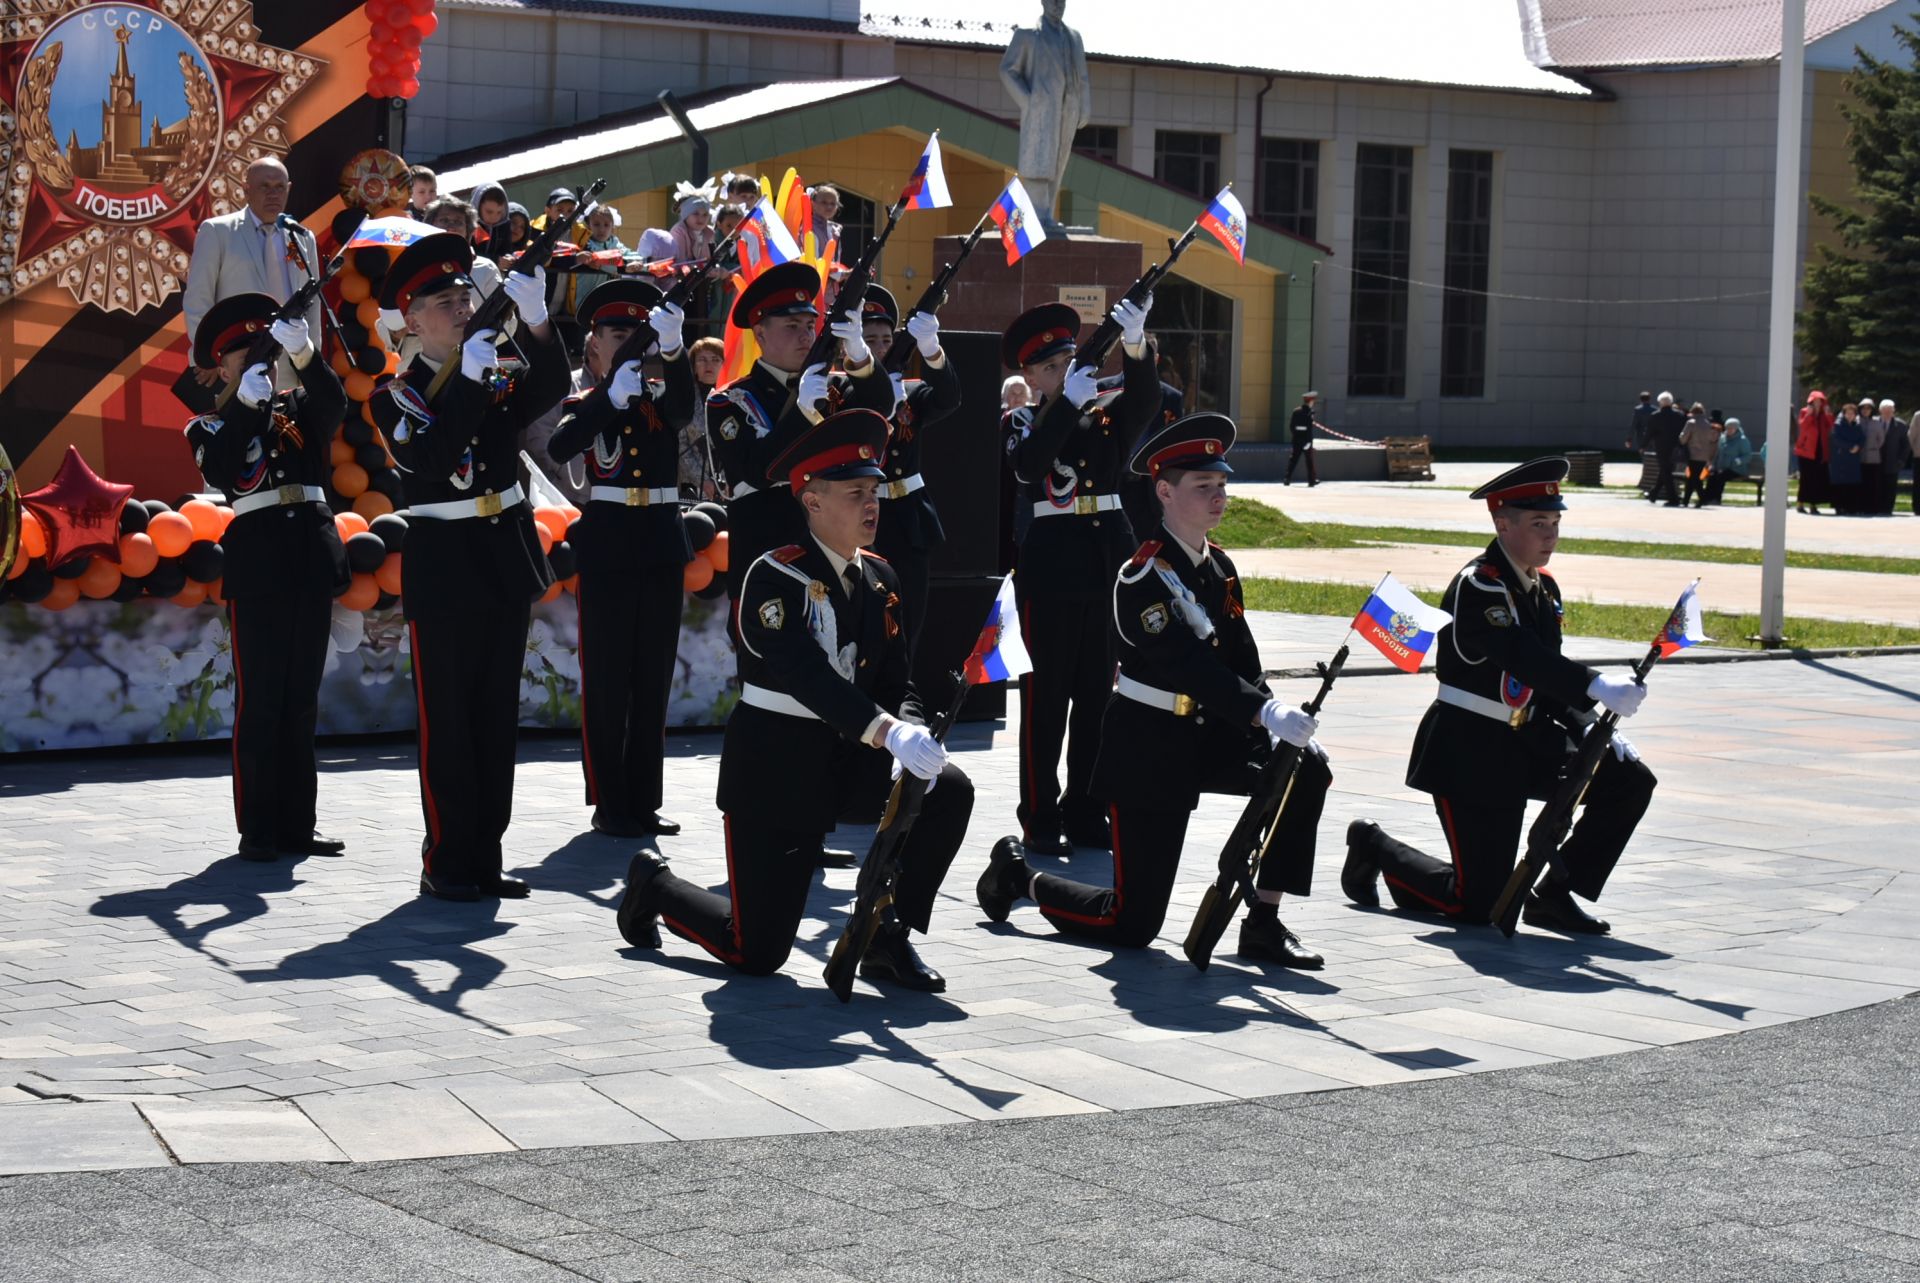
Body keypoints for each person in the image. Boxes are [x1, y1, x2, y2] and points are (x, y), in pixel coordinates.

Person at [616, 408, 975, 990]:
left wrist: (914, 734)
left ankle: (887, 935)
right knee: (756, 952)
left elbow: (895, 683)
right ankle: (655, 887)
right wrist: (888, 733)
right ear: (811, 500)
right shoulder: (772, 578)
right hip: (778, 765)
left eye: (875, 491)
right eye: (855, 492)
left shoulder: (882, 577)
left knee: (948, 788)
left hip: (850, 758)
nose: (872, 504)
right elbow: (808, 676)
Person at [978, 412, 1332, 966]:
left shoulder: (1221, 567)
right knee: (1133, 924)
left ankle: (1264, 918)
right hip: (1150, 746)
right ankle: (1020, 878)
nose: (1218, 497)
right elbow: (1189, 664)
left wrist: (1278, 716)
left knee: (1305, 766)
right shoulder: (1140, 577)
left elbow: (1242, 658)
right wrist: (1263, 713)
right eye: (1203, 487)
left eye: (1221, 485)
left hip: (1210, 735)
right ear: (1164, 491)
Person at [1342, 457, 1656, 935]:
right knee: (1482, 905)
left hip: (1528, 740)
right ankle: (1375, 846)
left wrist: (1588, 724)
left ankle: (1555, 894)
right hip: (1472, 748)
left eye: (1554, 522)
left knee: (1628, 779)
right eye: (1537, 523)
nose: (1550, 534)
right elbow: (1520, 653)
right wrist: (1593, 684)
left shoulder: (1542, 589)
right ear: (1502, 524)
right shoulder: (1479, 585)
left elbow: (1547, 678)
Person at [374, 232, 569, 901]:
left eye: (465, 297)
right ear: (412, 319)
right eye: (446, 302)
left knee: (493, 714)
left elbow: (547, 389)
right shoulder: (395, 395)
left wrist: (538, 319)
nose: (461, 308)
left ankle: (486, 853)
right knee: (450, 719)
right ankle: (448, 858)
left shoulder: (493, 369)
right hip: (447, 564)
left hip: (503, 556)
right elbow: (431, 457)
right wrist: (471, 379)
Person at [183, 294, 350, 862]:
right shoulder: (206, 424)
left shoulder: (298, 405)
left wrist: (305, 352)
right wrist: (247, 408)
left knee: (301, 699)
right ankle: (258, 827)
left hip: (308, 554)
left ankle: (298, 824)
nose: (261, 363)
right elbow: (225, 468)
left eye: (268, 351)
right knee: (261, 702)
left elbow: (334, 407)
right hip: (260, 565)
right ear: (223, 365)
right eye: (244, 355)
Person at [1001, 295, 1160, 855]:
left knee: (1097, 696)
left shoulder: (1105, 410)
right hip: (1052, 564)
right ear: (1027, 375)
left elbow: (1147, 402)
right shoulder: (1021, 419)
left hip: (1105, 559)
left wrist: (1137, 345)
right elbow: (1029, 465)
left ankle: (1088, 810)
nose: (1062, 373)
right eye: (1049, 368)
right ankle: (1040, 816)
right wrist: (1065, 404)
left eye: (1068, 363)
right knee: (1046, 701)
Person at [547, 280, 695, 839]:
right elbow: (561, 447)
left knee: (652, 676)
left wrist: (677, 352)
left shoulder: (663, 394)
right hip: (609, 541)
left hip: (659, 538)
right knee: (608, 676)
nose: (630, 340)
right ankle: (610, 800)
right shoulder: (584, 402)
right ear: (594, 344)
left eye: (640, 332)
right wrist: (608, 397)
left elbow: (683, 410)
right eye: (617, 333)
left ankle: (644, 798)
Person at [704, 260, 894, 607]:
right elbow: (758, 470)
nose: (805, 334)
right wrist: (804, 412)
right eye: (791, 325)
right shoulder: (730, 401)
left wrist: (858, 353)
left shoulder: (834, 386)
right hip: (770, 560)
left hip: (838, 556)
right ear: (760, 334)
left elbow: (881, 405)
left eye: (810, 324)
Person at [862, 285, 959, 661]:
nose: (881, 347)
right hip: (862, 516)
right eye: (871, 339)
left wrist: (931, 348)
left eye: (887, 339)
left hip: (907, 517)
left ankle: (901, 701)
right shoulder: (838, 392)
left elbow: (949, 398)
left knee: (907, 620)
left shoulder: (910, 393)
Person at [182, 157, 322, 394]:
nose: (273, 194)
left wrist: (310, 363)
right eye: (264, 187)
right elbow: (198, 300)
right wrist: (209, 357)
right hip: (237, 365)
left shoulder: (302, 237)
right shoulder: (217, 231)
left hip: (290, 365)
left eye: (279, 187)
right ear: (246, 190)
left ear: (289, 190)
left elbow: (313, 305)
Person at [680, 336, 725, 499]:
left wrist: (731, 480)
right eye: (702, 360)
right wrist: (703, 481)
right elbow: (681, 445)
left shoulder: (737, 396)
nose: (709, 365)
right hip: (694, 488)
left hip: (732, 486)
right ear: (693, 365)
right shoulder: (684, 399)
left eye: (715, 359)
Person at [1794, 390, 1833, 514]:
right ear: (1811, 401)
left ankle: (1813, 505)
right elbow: (1802, 426)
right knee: (1806, 479)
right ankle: (1800, 504)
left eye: (1820, 401)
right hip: (1806, 451)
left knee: (1817, 479)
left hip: (1820, 451)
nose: (1817, 404)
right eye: (1815, 401)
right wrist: (1810, 415)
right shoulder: (1804, 412)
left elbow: (1831, 426)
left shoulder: (1824, 415)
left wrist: (1828, 415)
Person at [1646, 391, 1684, 505]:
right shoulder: (1680, 415)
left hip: (1661, 448)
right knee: (1666, 470)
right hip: (1675, 448)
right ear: (1671, 402)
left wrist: (1643, 445)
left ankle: (1673, 499)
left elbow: (1649, 432)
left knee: (1666, 471)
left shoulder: (1655, 415)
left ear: (1660, 403)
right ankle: (1654, 493)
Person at [1703, 417, 1752, 505]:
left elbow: (1747, 456)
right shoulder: (1722, 438)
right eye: (1727, 428)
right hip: (1722, 467)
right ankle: (1706, 499)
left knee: (1721, 477)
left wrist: (1737, 461)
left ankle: (1716, 499)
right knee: (1712, 475)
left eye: (1731, 428)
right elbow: (1718, 453)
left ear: (1736, 428)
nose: (1729, 430)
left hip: (1736, 469)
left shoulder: (1742, 440)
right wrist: (1713, 465)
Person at [1830, 400, 1866, 515]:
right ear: (1844, 414)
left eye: (1852, 413)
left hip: (1853, 459)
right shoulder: (1838, 425)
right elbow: (1836, 440)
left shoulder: (1857, 426)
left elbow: (1862, 438)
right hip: (1841, 458)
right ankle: (1839, 507)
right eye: (1848, 413)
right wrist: (1850, 446)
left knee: (1852, 483)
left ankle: (1851, 507)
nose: (1850, 415)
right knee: (1841, 484)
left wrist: (1858, 446)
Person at [1679, 402, 1717, 508]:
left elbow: (1683, 438)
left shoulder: (1691, 423)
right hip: (1704, 455)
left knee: (1694, 478)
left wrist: (1680, 438)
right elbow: (1711, 439)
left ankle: (1703, 498)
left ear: (1692, 411)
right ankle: (1687, 500)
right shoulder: (1707, 424)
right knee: (1693, 478)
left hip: (1692, 454)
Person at [1875, 399, 1907, 515]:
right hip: (1876, 461)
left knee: (1890, 486)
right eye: (1885, 411)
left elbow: (1906, 445)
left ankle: (1888, 509)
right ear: (1880, 411)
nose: (1888, 413)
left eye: (1890, 411)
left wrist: (1901, 461)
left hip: (1892, 462)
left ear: (1894, 411)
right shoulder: (1874, 422)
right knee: (1877, 485)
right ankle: (1877, 507)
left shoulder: (1901, 425)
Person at [1284, 390, 1321, 486]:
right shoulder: (1310, 413)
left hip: (1296, 440)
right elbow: (1308, 429)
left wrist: (1296, 436)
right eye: (1313, 401)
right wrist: (1308, 441)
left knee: (1293, 460)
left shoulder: (1296, 411)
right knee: (1309, 461)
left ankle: (1287, 479)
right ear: (1311, 401)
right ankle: (1311, 481)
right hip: (1306, 441)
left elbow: (1292, 426)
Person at [469, 182, 512, 257]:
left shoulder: (504, 225)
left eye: (499, 212)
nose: (494, 217)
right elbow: (470, 255)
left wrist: (508, 258)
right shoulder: (468, 225)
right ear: (477, 207)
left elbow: (506, 250)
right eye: (489, 212)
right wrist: (496, 261)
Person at [669, 194, 713, 267]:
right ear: (686, 215)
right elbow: (680, 263)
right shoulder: (679, 232)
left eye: (705, 214)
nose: (701, 218)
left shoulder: (709, 233)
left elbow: (708, 259)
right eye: (696, 214)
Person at [1860, 398, 1886, 516]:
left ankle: (1872, 507)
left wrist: (1873, 448)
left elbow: (1881, 439)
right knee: (1861, 483)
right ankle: (1861, 506)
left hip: (1873, 457)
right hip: (1860, 457)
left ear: (1872, 410)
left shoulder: (1876, 423)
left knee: (1873, 483)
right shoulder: (1856, 420)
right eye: (1864, 408)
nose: (1866, 410)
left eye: (1868, 408)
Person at [808, 184, 844, 256]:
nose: (829, 206)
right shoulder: (807, 227)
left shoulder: (834, 230)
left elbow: (834, 262)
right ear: (812, 203)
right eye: (824, 202)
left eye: (833, 203)